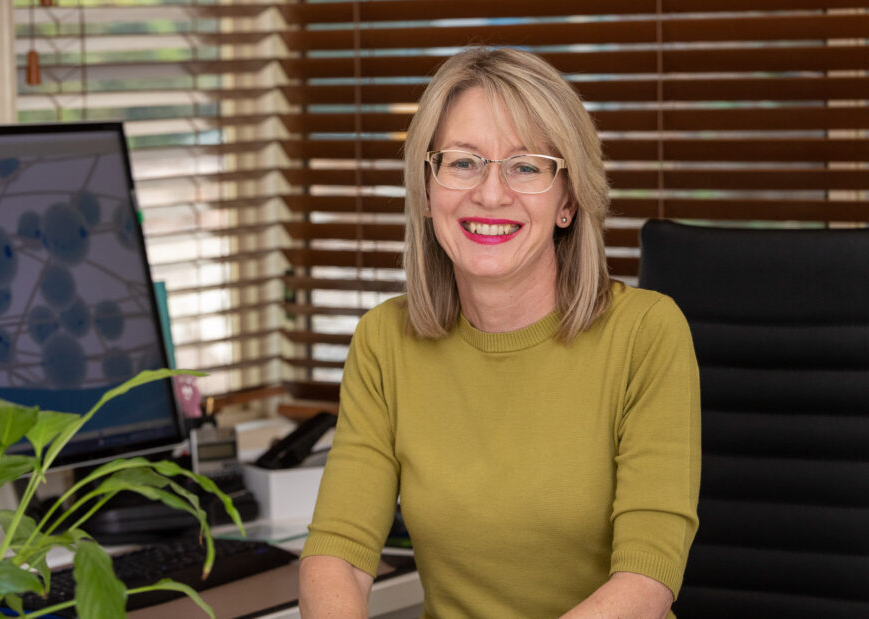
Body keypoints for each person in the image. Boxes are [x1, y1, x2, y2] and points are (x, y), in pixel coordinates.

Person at [298, 47, 701, 619]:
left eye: (526, 166)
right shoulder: (384, 341)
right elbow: (336, 554)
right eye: (462, 162)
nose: (490, 194)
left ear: (567, 200)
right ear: (428, 187)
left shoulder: (645, 334)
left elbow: (646, 580)